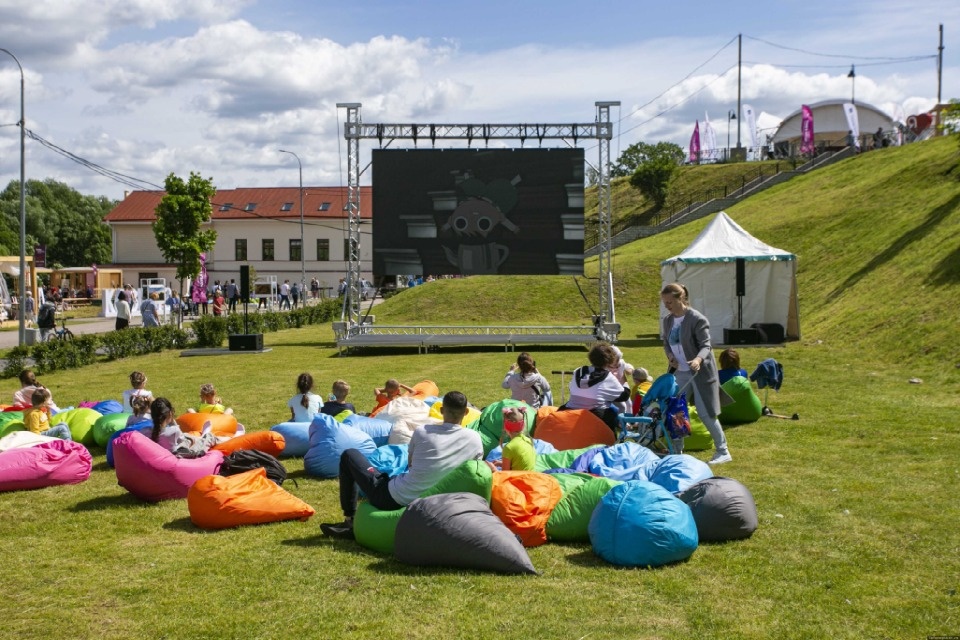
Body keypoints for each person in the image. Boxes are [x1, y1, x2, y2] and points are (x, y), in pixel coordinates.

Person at [320, 390, 483, 539]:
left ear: (441, 410)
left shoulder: (423, 432)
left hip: (396, 499)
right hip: (443, 502)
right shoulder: (475, 439)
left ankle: (350, 521)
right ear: (467, 412)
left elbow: (410, 465)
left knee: (350, 455)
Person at [661, 282, 734, 465]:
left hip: (700, 374)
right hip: (680, 372)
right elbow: (667, 343)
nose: (666, 306)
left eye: (670, 302)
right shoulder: (668, 320)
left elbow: (706, 345)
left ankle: (723, 450)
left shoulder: (697, 319)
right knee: (676, 411)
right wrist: (670, 355)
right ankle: (676, 451)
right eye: (665, 302)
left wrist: (698, 360)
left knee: (705, 413)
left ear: (681, 298)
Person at [559, 342, 630, 433]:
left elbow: (572, 389)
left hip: (570, 410)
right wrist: (623, 377)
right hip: (596, 416)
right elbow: (625, 395)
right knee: (612, 412)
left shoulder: (578, 371)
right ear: (609, 360)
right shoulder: (608, 376)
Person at [150, 397, 217, 458]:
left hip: (172, 452)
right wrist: (173, 422)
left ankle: (200, 438)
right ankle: (204, 435)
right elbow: (182, 439)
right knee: (208, 437)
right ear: (170, 413)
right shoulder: (174, 430)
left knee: (186, 436)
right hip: (181, 456)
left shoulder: (150, 431)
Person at [497, 406, 534, 471]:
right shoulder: (528, 440)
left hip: (518, 480)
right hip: (530, 478)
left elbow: (504, 475)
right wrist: (502, 464)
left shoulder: (509, 448)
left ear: (506, 427)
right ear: (523, 426)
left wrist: (493, 469)